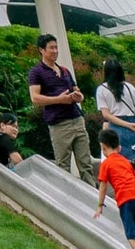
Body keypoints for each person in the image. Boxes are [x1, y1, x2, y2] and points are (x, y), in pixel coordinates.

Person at [93, 57, 135, 208]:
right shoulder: (130, 87)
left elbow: (106, 115)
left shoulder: (102, 90)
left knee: (125, 175)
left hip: (116, 132)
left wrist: (125, 125)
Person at [27, 34, 93, 182]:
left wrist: (78, 97)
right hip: (59, 124)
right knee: (63, 166)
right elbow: (35, 98)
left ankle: (94, 199)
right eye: (51, 47)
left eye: (56, 47)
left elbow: (78, 91)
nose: (55, 51)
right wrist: (59, 100)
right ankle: (65, 201)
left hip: (77, 119)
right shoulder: (36, 72)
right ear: (41, 50)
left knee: (85, 163)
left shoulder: (64, 70)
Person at [92, 125, 135, 249]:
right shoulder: (126, 162)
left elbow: (103, 186)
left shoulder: (106, 164)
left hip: (125, 200)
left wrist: (100, 205)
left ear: (103, 148)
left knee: (130, 232)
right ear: (119, 148)